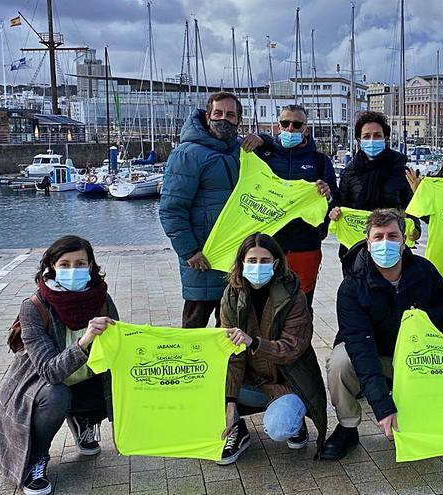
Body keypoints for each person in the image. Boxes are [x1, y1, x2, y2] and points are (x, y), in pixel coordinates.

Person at [319, 209, 443, 460]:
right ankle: (347, 427)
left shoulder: (425, 272)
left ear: (404, 242)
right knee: (340, 362)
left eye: (392, 236)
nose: (385, 243)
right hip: (375, 354)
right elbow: (361, 345)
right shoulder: (351, 286)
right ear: (368, 243)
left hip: (415, 355)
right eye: (378, 237)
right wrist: (382, 407)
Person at [0, 236, 118, 495]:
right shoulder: (33, 307)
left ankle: (84, 419)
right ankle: (36, 459)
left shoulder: (101, 298)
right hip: (39, 386)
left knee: (115, 380)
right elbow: (50, 371)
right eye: (64, 264)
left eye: (80, 263)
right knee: (56, 394)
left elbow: (117, 349)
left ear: (91, 265)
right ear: (50, 267)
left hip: (85, 378)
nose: (73, 270)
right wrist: (85, 341)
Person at [218, 233, 327, 464]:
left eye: (265, 260)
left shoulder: (294, 295)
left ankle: (295, 423)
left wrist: (254, 343)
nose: (258, 266)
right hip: (251, 380)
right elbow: (232, 355)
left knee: (279, 427)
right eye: (252, 260)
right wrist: (229, 403)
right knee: (206, 384)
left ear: (276, 263)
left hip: (286, 381)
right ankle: (237, 428)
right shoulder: (230, 296)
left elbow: (292, 348)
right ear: (241, 262)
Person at [241, 104, 339, 308]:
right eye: (285, 123)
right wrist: (262, 138)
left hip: (305, 244)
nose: (290, 129)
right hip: (267, 244)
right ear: (278, 126)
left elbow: (335, 203)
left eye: (297, 124)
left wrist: (328, 196)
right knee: (263, 304)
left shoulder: (320, 162)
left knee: (301, 304)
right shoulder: (262, 154)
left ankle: (303, 341)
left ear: (306, 129)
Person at [160, 91, 242, 328]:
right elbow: (171, 209)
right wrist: (189, 252)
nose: (223, 119)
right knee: (194, 328)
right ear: (208, 116)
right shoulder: (187, 154)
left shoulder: (240, 151)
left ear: (238, 120)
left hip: (234, 258)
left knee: (229, 329)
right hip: (202, 259)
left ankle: (228, 367)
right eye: (218, 113)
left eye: (230, 114)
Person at [330, 111, 419, 258]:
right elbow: (341, 205)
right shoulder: (349, 172)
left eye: (377, 135)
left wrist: (414, 230)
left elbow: (412, 209)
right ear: (359, 140)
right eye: (366, 136)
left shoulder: (401, 172)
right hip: (355, 250)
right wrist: (335, 213)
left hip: (391, 248)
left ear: (386, 138)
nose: (372, 140)